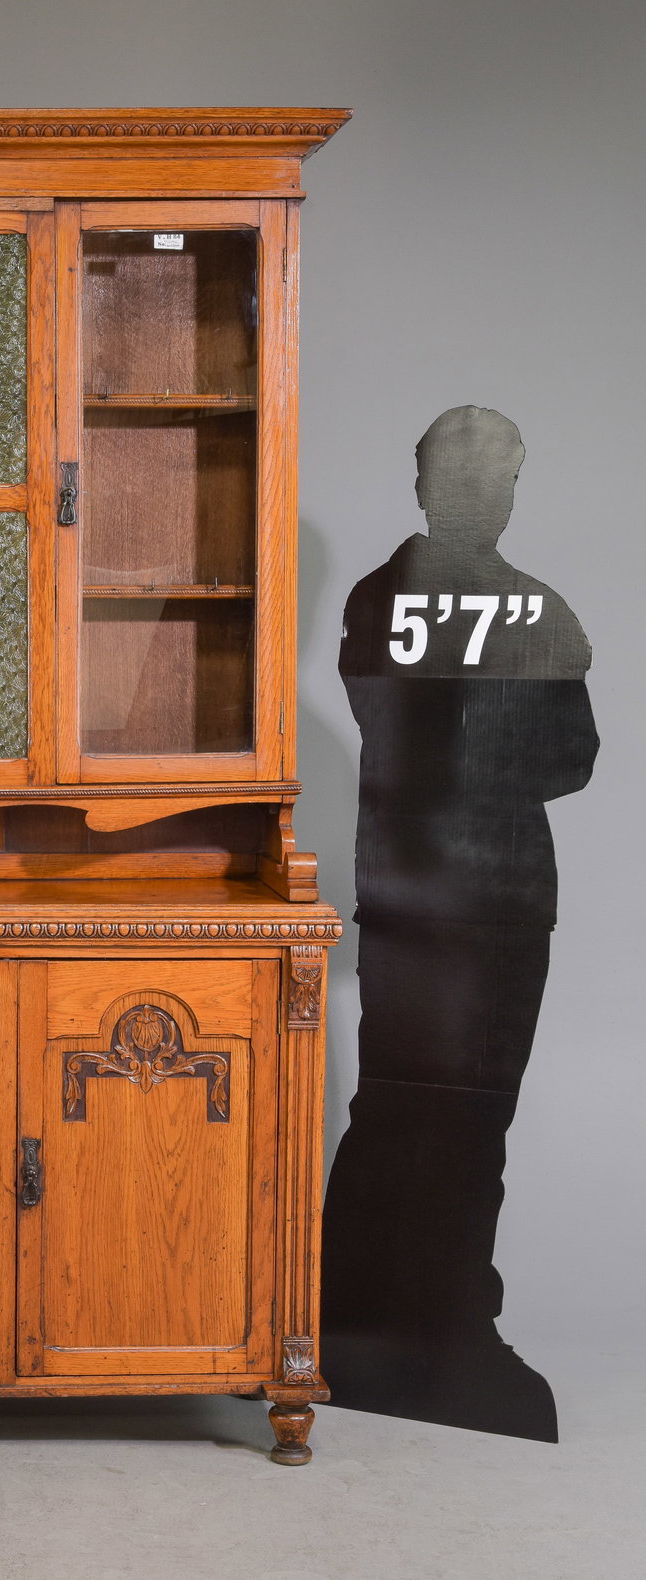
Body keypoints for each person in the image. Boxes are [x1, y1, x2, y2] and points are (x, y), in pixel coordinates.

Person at [321, 406, 597, 1440]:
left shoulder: (370, 598)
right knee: (468, 1111)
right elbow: (570, 759)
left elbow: (385, 718)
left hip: (402, 885)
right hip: (498, 891)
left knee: (397, 1100)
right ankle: (437, 1320)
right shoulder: (537, 612)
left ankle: (371, 1307)